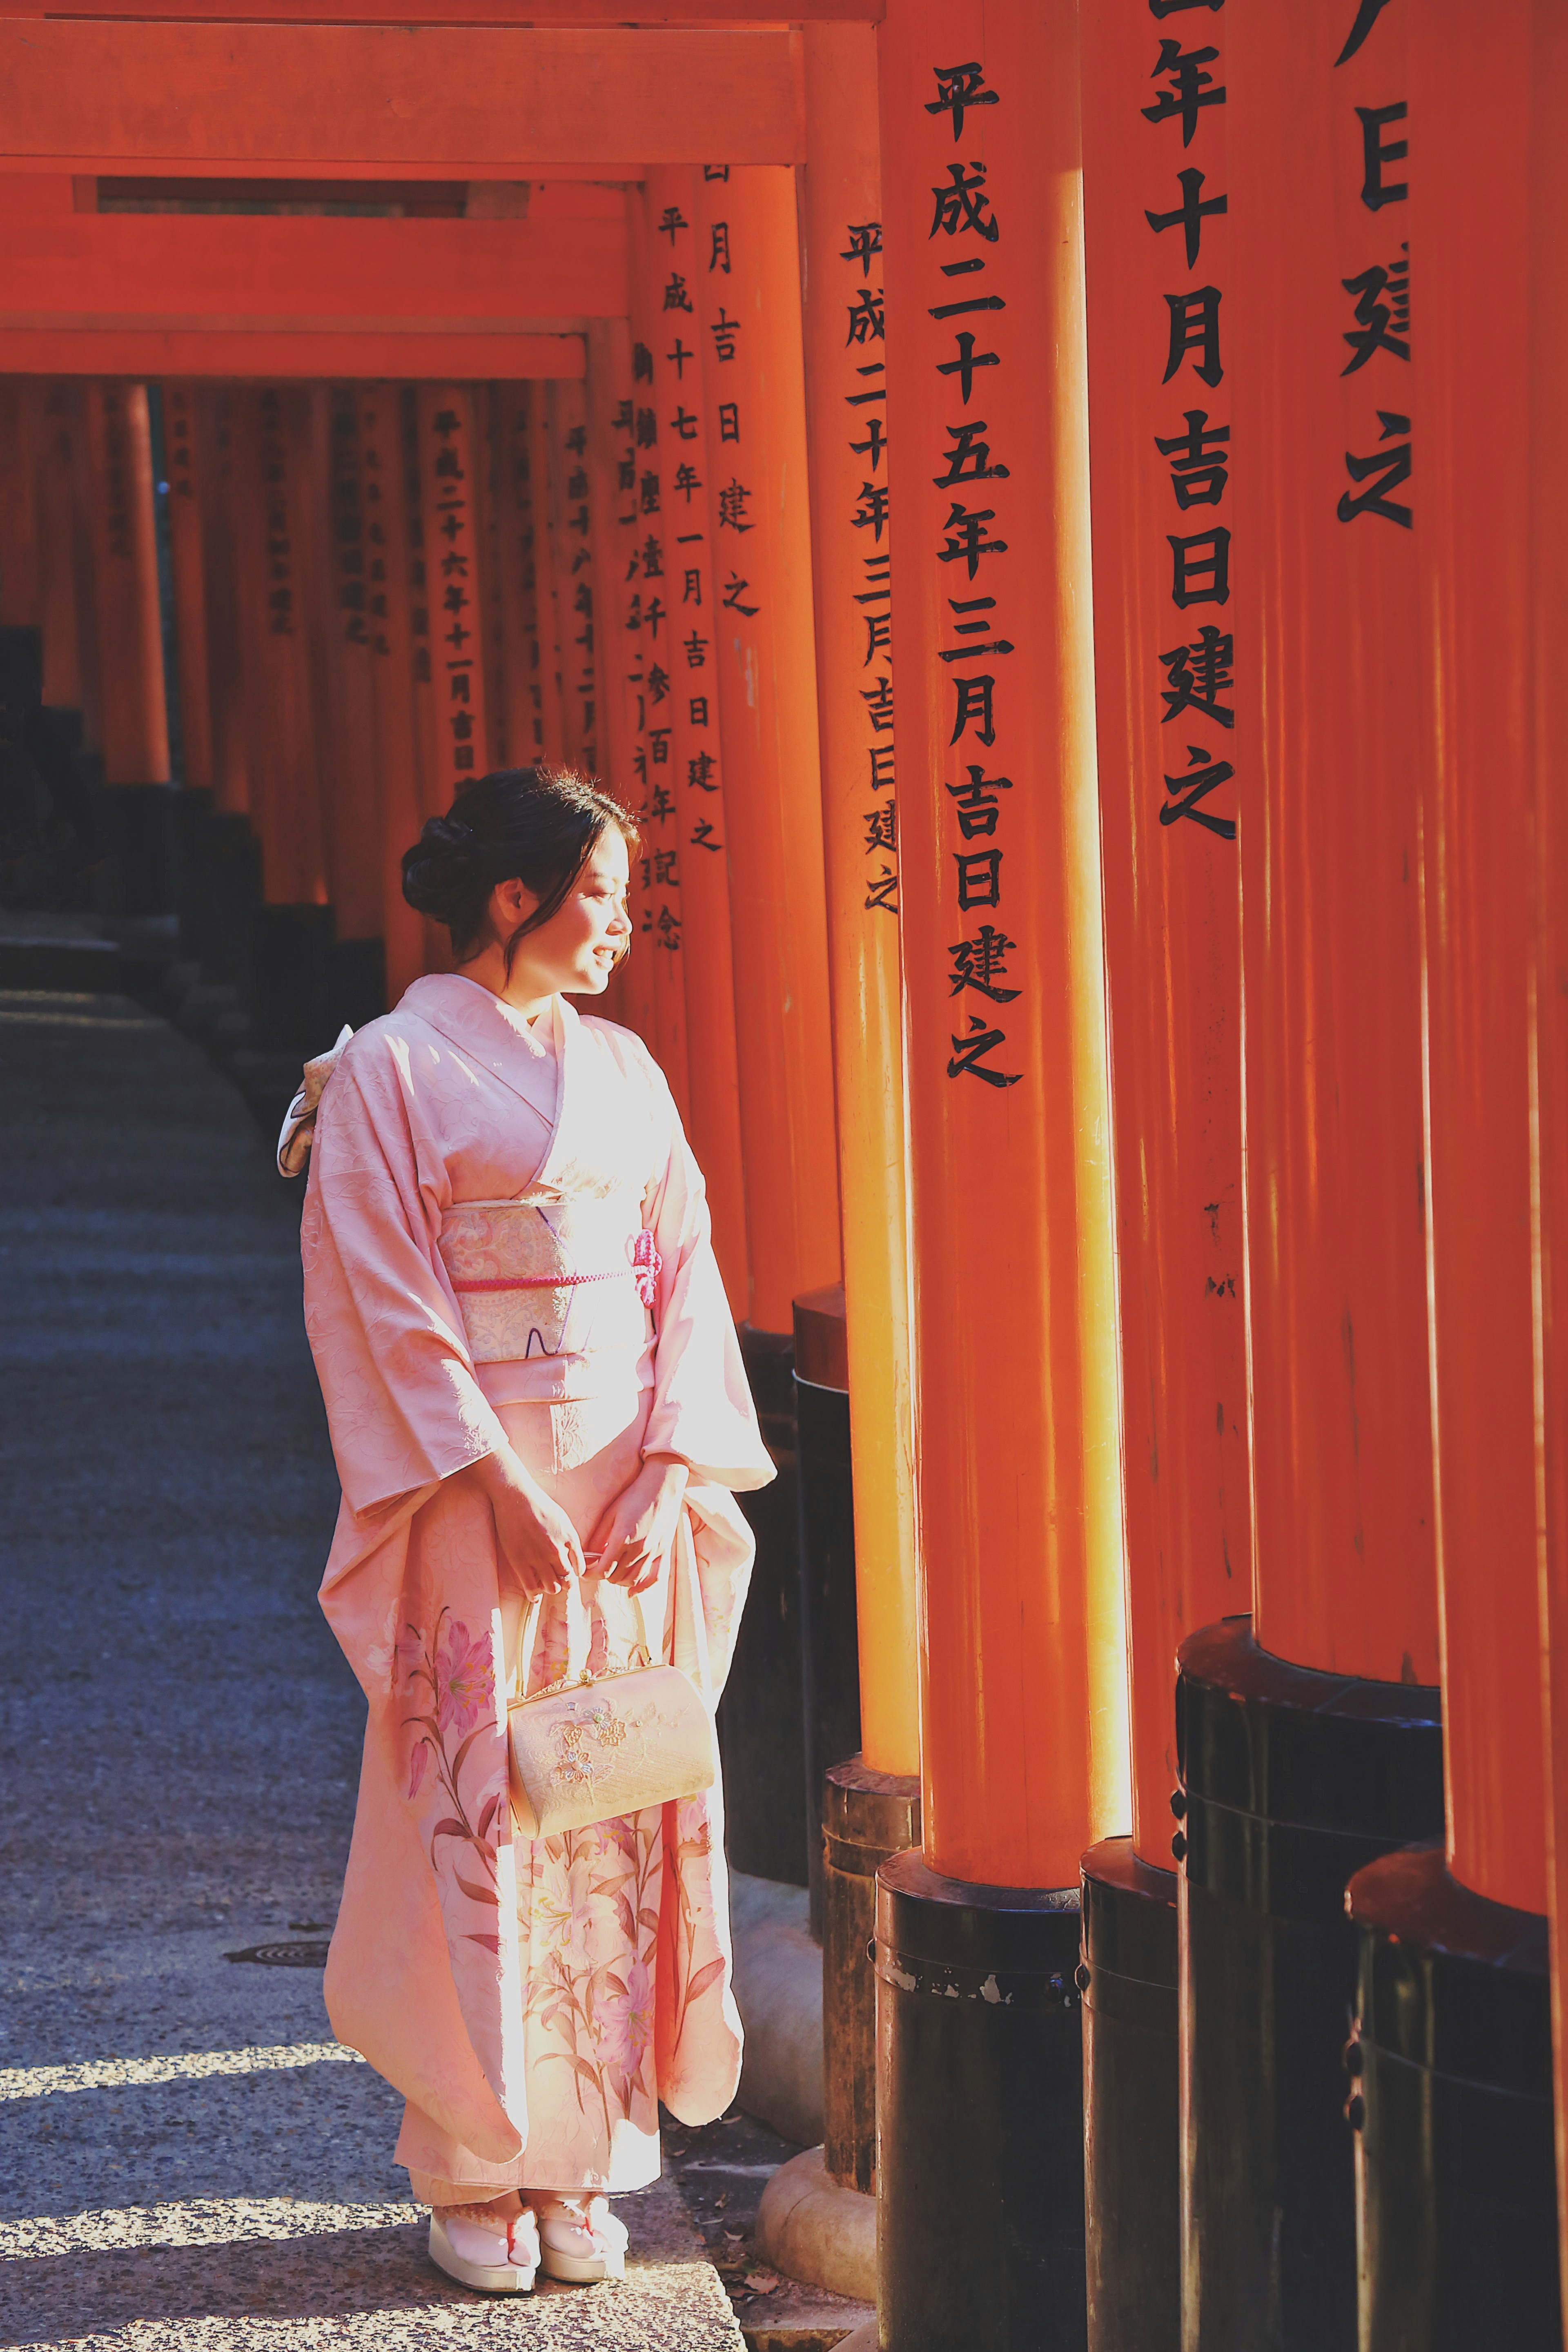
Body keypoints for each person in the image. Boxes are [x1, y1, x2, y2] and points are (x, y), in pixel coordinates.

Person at [285, 765, 775, 2293]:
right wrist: (489, 1477)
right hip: (474, 1497)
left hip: (626, 1499)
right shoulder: (387, 1070)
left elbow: (684, 1275)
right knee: (484, 1800)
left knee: (613, 1803)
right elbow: (388, 1293)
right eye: (603, 894)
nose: (623, 924)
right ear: (518, 900)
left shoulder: (626, 1072)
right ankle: (475, 2164)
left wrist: (672, 1463)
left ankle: (591, 2159)